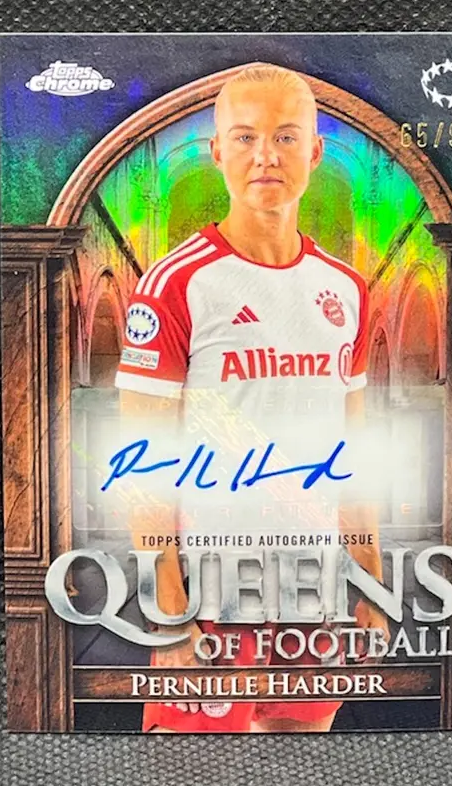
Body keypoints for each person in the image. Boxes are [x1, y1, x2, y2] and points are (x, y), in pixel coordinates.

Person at [114, 64, 388, 733]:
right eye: (245, 137)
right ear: (217, 151)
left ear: (314, 152)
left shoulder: (346, 288)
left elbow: (352, 452)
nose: (266, 155)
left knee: (301, 754)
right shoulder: (175, 284)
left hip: (314, 591)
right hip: (210, 592)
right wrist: (168, 608)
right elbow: (142, 460)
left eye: (285, 137)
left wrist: (371, 580)